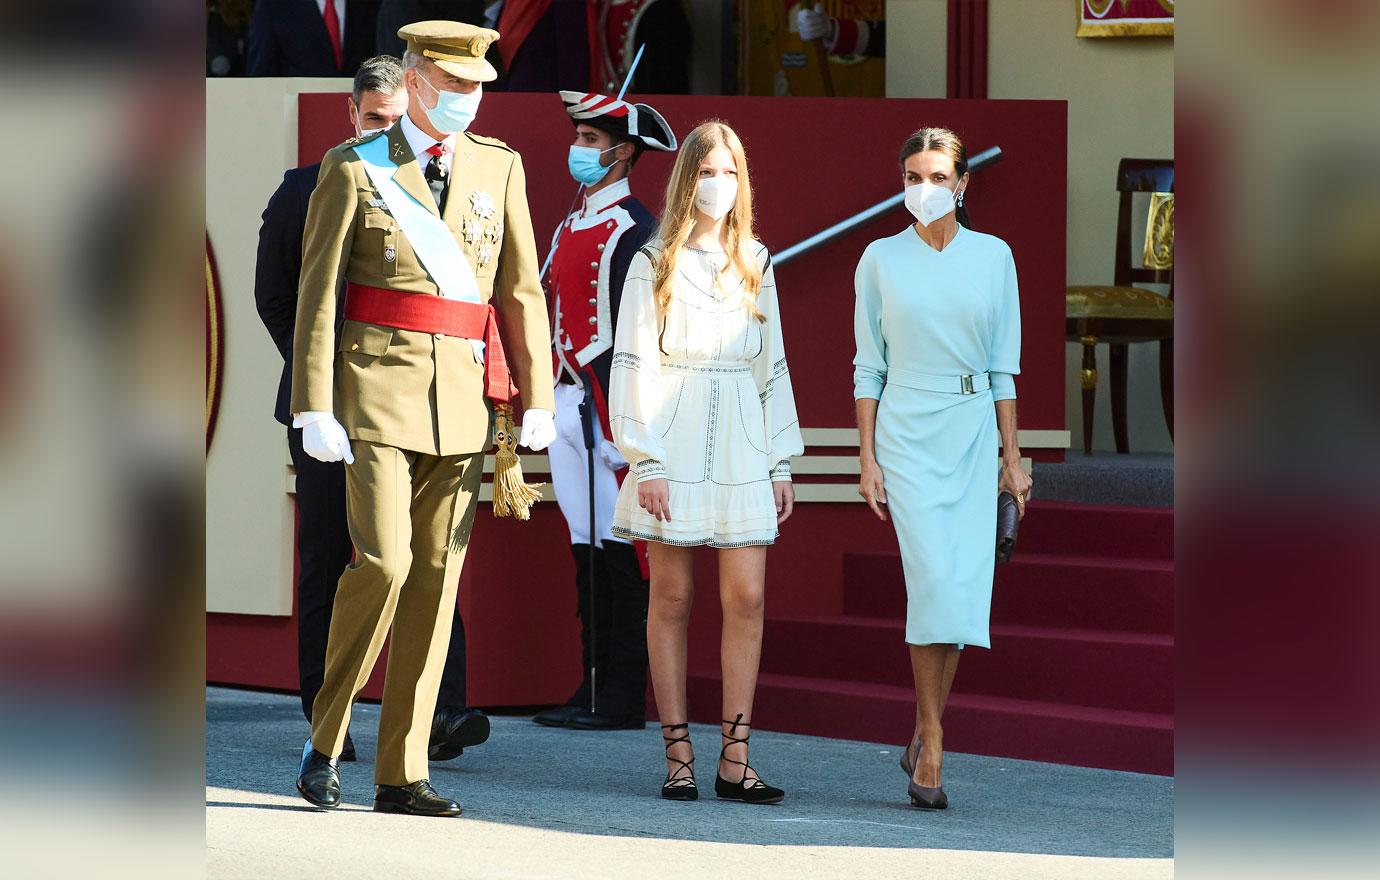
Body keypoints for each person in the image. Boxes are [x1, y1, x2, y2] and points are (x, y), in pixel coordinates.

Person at [291, 20, 556, 818]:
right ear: (412, 80)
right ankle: (326, 737)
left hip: (464, 402)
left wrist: (536, 395)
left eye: (478, 88)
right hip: (373, 391)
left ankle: (401, 772)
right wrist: (313, 402)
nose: (468, 102)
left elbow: (518, 289)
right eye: (452, 87)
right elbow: (320, 294)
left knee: (438, 584)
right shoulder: (353, 167)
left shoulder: (498, 167)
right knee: (385, 564)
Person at [254, 55, 491, 769]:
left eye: (400, 118)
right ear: (351, 116)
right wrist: (323, 391)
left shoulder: (441, 189)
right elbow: (277, 299)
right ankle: (327, 715)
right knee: (334, 557)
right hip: (332, 410)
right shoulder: (307, 186)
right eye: (377, 119)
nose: (389, 129)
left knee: (426, 556)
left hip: (422, 404)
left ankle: (439, 712)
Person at [608, 120, 803, 804]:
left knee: (746, 596)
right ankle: (678, 751)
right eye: (708, 171)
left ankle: (736, 756)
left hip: (746, 440)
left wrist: (782, 460)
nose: (719, 184)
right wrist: (646, 459)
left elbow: (771, 364)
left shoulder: (757, 259)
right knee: (672, 595)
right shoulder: (651, 259)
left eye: (730, 171)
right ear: (687, 178)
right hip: (673, 438)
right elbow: (632, 359)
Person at [852, 127, 1031, 810]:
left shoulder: (995, 257)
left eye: (935, 177)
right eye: (911, 176)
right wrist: (865, 456)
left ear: (961, 184)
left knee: (958, 597)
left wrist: (1012, 460)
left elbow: (1003, 366)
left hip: (972, 428)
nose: (922, 189)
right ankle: (932, 735)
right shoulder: (878, 258)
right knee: (932, 583)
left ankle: (924, 731)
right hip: (906, 431)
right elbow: (868, 364)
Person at [531, 90, 677, 732]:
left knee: (622, 550)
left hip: (609, 407)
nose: (581, 150)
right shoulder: (571, 221)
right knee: (585, 544)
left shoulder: (635, 228)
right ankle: (589, 683)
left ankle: (620, 694)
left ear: (622, 153)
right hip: (566, 400)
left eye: (593, 141)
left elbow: (644, 331)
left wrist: (626, 412)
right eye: (581, 138)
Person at [247, 0, 381, 77]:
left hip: (357, 116)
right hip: (296, 116)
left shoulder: (371, 4)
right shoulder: (274, 5)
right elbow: (260, 75)